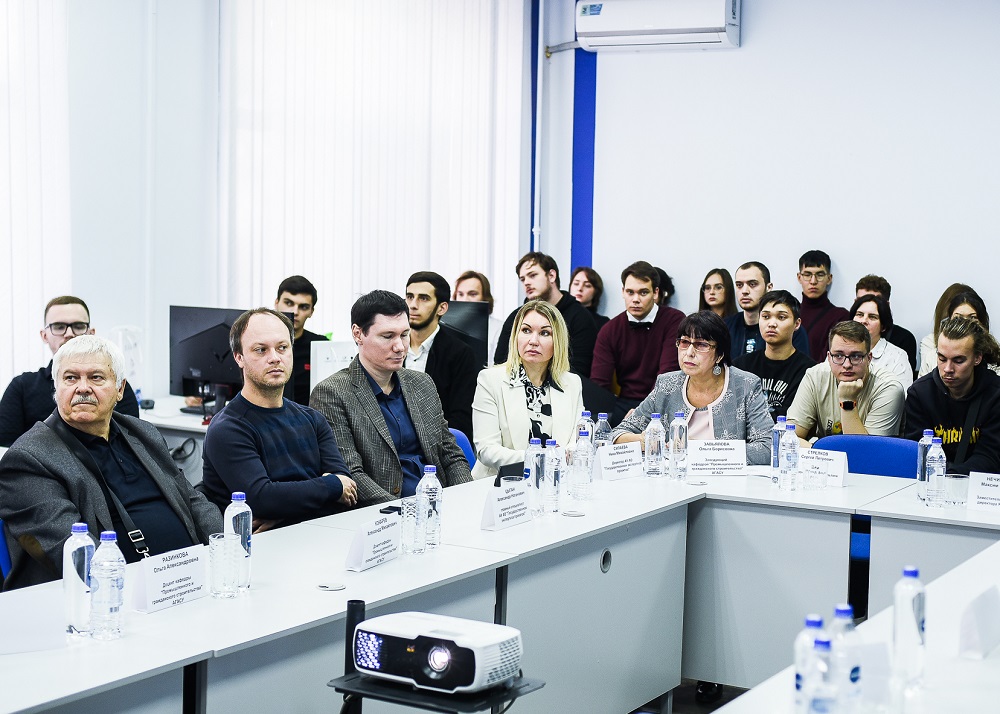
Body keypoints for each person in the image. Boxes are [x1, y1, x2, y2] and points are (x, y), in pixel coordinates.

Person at [0, 336, 221, 591]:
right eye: (70, 378)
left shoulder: (142, 432)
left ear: (120, 389)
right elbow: (73, 550)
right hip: (107, 596)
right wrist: (144, 589)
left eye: (96, 377)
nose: (82, 388)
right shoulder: (28, 458)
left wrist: (225, 550)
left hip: (189, 584)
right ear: (56, 387)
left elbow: (192, 502)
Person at [310, 290, 473, 506]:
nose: (400, 347)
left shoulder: (422, 383)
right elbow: (352, 474)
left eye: (404, 335)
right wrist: (406, 511)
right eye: (387, 336)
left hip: (440, 504)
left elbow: (450, 453)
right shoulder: (332, 393)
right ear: (358, 334)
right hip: (386, 513)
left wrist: (466, 498)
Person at [201, 309, 357, 529]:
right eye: (261, 350)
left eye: (282, 347)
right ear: (239, 357)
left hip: (318, 537)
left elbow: (347, 492)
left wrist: (284, 513)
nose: (275, 358)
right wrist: (329, 488)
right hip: (260, 547)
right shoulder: (228, 428)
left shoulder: (313, 419)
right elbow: (263, 498)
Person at [610, 311, 773, 465]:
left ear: (720, 354)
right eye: (684, 342)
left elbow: (767, 447)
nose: (689, 352)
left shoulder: (745, 385)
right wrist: (644, 441)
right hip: (675, 477)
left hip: (724, 480)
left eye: (701, 345)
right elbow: (617, 434)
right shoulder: (667, 385)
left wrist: (700, 450)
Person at [0, 296, 139, 447]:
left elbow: (131, 443)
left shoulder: (111, 384)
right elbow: (5, 447)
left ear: (91, 333)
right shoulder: (22, 387)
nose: (69, 334)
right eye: (59, 327)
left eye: (78, 326)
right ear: (44, 335)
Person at [471, 300, 584, 480]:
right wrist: (541, 459)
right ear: (516, 336)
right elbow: (487, 450)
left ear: (558, 341)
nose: (533, 341)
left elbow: (577, 441)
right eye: (526, 330)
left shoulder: (572, 383)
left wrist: (565, 455)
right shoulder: (490, 380)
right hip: (501, 484)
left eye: (545, 333)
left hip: (554, 482)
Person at [590, 261, 685, 425]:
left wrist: (643, 411)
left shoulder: (674, 320)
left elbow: (667, 376)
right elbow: (599, 385)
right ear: (623, 292)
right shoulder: (609, 330)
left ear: (655, 293)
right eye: (630, 292)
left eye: (643, 292)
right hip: (624, 404)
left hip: (664, 401)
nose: (635, 299)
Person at [905, 317, 1000, 475]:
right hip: (933, 482)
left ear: (977, 358)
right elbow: (917, 453)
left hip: (978, 483)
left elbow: (989, 457)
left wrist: (949, 474)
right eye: (942, 358)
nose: (948, 369)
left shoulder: (995, 394)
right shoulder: (919, 394)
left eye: (958, 361)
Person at [787, 321, 905, 443]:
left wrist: (848, 401)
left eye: (856, 356)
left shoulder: (889, 388)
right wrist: (817, 451)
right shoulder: (815, 376)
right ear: (829, 358)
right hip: (823, 455)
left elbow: (866, 450)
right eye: (838, 356)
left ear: (869, 358)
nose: (847, 365)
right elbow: (789, 437)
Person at [494, 252, 598, 377]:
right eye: (523, 279)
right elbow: (501, 363)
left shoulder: (580, 317)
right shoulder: (516, 317)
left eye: (532, 275)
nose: (526, 282)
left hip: (563, 386)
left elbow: (580, 370)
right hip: (515, 384)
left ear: (551, 275)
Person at [404, 271, 480, 440]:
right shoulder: (392, 347)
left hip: (438, 445)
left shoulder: (460, 354)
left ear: (442, 308)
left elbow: (461, 420)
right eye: (409, 297)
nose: (413, 305)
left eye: (423, 298)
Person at [734, 291, 816, 419]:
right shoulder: (740, 366)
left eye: (781, 317)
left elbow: (792, 418)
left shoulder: (809, 371)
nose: (771, 324)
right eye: (766, 317)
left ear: (797, 324)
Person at [726, 261, 810, 358]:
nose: (744, 291)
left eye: (752, 284)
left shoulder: (790, 329)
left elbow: (801, 364)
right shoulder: (725, 327)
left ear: (769, 287)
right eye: (739, 285)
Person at [274, 275, 329, 405]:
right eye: (288, 303)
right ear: (276, 303)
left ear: (311, 311)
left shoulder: (320, 346)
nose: (295, 311)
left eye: (303, 307)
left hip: (308, 413)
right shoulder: (259, 342)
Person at [855, 275, 918, 376]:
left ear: (886, 306)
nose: (864, 320)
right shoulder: (840, 336)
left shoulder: (904, 339)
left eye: (875, 300)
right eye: (861, 301)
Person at [796, 250, 850, 362]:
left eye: (820, 275)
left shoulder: (840, 317)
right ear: (799, 277)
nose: (813, 281)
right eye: (807, 275)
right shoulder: (790, 314)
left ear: (829, 278)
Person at [849, 294, 912, 389]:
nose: (864, 321)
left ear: (883, 327)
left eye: (872, 317)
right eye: (859, 315)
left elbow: (903, 393)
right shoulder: (839, 347)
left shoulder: (897, 356)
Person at [917, 283, 976, 377]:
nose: (965, 323)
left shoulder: (990, 350)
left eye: (972, 317)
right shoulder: (930, 346)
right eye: (958, 318)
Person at [453, 269, 503, 364]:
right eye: (460, 294)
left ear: (484, 297)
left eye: (472, 294)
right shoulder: (444, 327)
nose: (465, 300)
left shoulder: (499, 328)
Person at [569, 266, 610, 330]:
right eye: (576, 284)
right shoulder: (559, 316)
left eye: (587, 285)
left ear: (596, 291)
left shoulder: (603, 323)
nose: (579, 288)